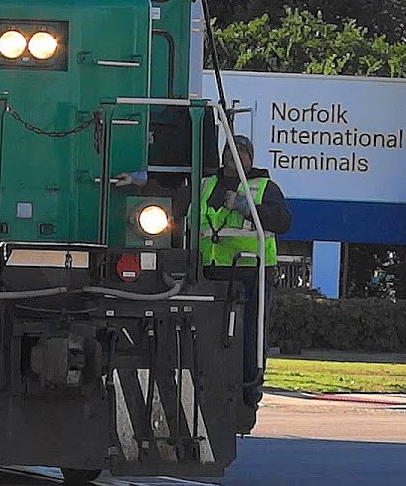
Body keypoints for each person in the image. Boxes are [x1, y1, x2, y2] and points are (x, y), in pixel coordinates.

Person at [115, 134, 290, 425]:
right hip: (208, 273)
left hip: (250, 274)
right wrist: (140, 181)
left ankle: (249, 392)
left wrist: (246, 207)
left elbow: (283, 221)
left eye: (241, 152)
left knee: (250, 335)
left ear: (251, 157)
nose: (234, 158)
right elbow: (173, 199)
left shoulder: (264, 188)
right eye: (229, 152)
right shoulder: (205, 184)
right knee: (205, 336)